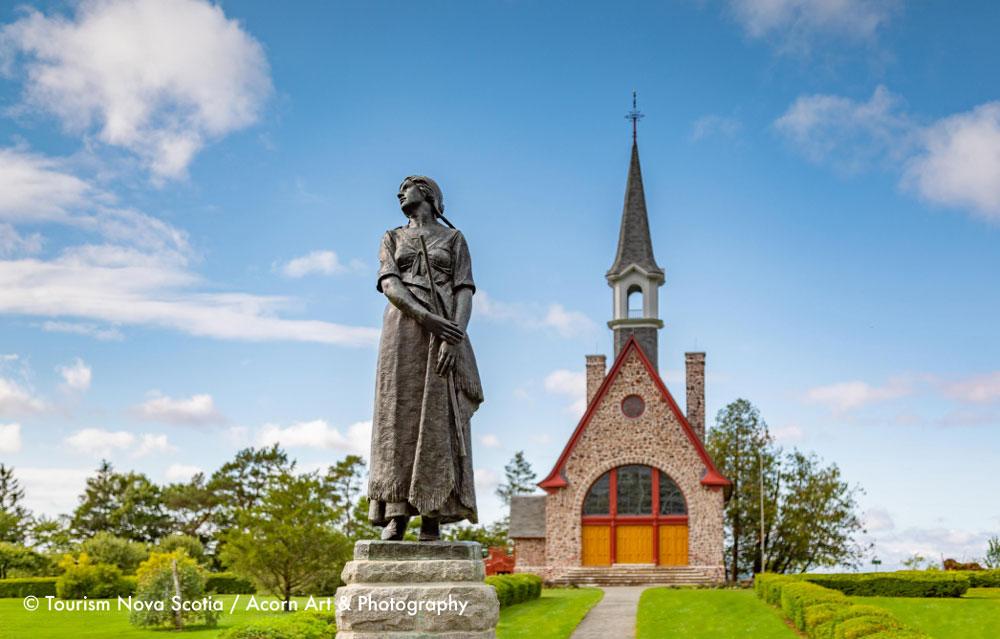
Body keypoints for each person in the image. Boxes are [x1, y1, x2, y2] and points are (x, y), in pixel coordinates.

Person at [367, 175, 483, 541]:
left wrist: (453, 337)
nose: (399, 192)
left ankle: (433, 515)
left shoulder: (454, 239)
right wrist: (428, 319)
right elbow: (390, 284)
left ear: (428, 193)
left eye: (407, 186)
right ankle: (396, 513)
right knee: (396, 418)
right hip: (403, 330)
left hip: (446, 331)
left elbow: (464, 290)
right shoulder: (392, 238)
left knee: (438, 419)